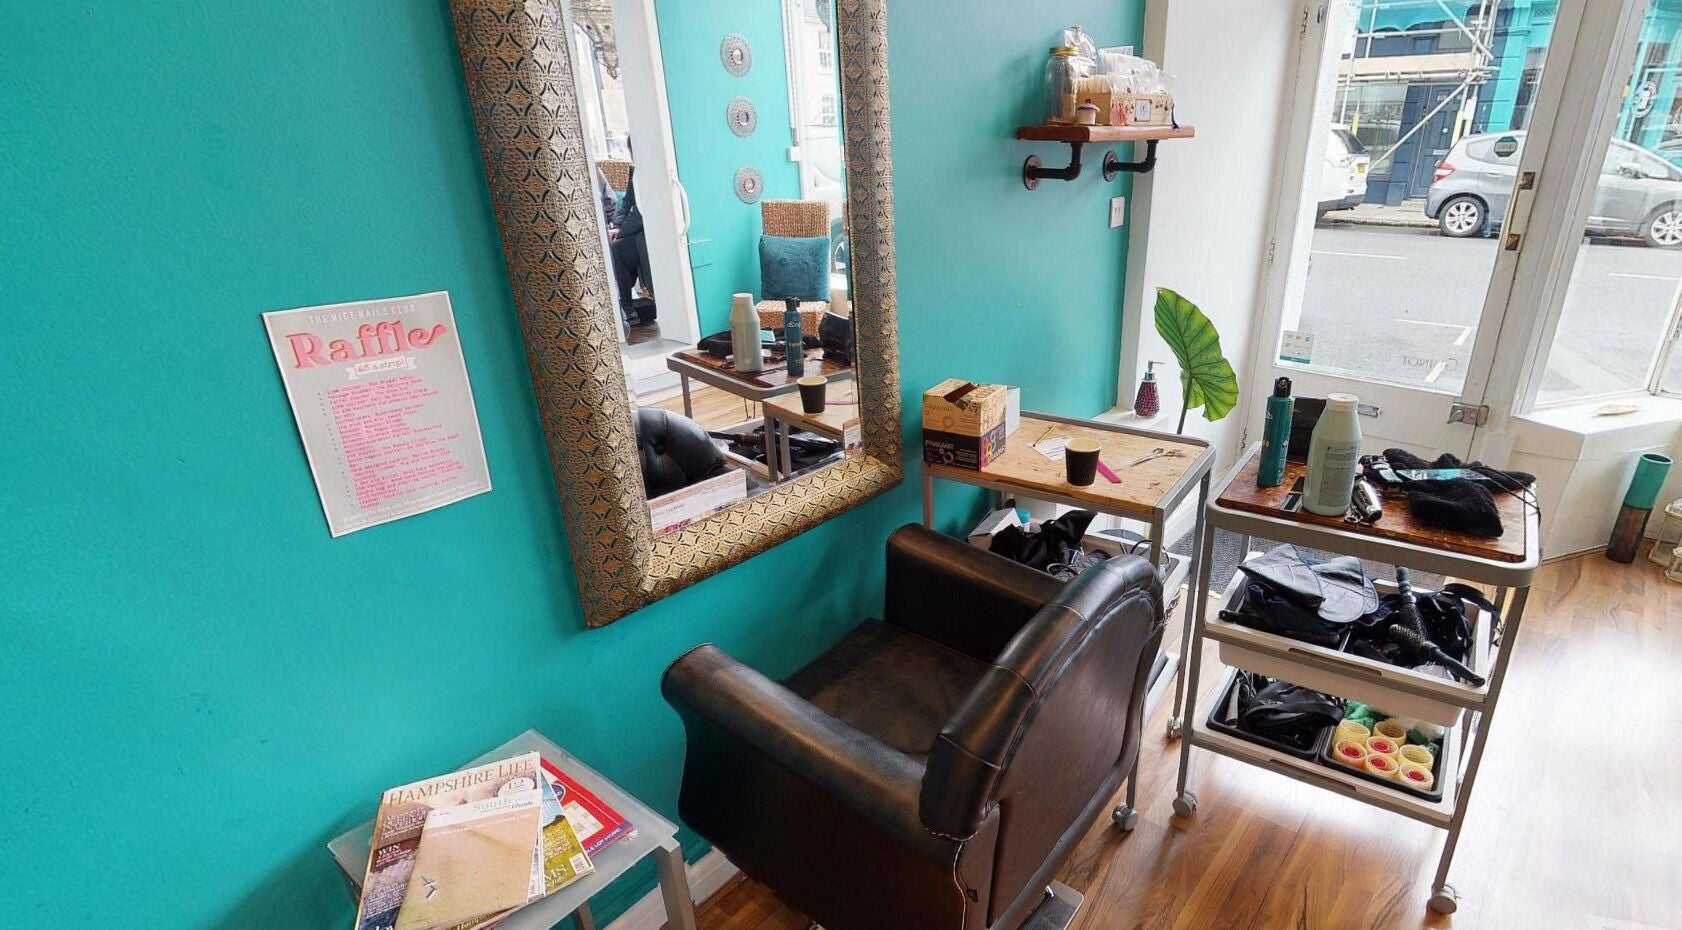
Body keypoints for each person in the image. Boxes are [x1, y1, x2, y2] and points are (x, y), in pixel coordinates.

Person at [611, 139, 653, 323]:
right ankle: (628, 308)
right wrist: (616, 226)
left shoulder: (654, 170)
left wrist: (620, 232)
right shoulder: (635, 171)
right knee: (618, 248)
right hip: (638, 229)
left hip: (649, 230)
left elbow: (643, 213)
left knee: (619, 248)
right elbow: (627, 202)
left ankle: (629, 308)